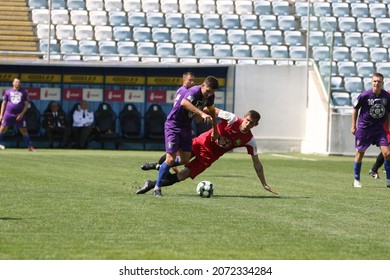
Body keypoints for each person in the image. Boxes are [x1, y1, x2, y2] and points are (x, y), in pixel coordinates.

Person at [136, 108, 278, 196]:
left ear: (256, 125)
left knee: (182, 176)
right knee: (173, 159)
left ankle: (151, 183)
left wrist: (264, 183)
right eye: (247, 120)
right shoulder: (232, 118)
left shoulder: (250, 140)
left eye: (252, 123)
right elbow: (211, 109)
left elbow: (257, 164)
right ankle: (156, 167)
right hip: (200, 143)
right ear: (244, 117)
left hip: (209, 157)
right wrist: (210, 124)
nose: (248, 124)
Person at [151, 76, 220, 197]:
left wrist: (215, 129)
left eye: (212, 92)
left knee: (185, 160)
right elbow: (184, 103)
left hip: (186, 128)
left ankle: (161, 166)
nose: (209, 94)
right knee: (171, 159)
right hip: (173, 125)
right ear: (203, 85)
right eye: (208, 91)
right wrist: (201, 113)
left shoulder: (210, 96)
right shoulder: (194, 91)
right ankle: (157, 188)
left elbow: (212, 111)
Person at [351, 73, 390, 188]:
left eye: (379, 81)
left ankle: (388, 180)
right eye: (375, 81)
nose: (376, 83)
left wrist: (388, 127)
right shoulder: (365, 95)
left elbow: (388, 112)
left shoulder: (387, 97)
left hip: (379, 130)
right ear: (371, 82)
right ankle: (356, 180)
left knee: (387, 153)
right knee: (360, 153)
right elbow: (355, 109)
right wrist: (353, 125)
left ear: (382, 83)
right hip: (365, 130)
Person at [0, 77, 35, 151]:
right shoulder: (8, 92)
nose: (18, 83)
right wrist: (1, 115)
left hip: (19, 115)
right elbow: (4, 103)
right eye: (16, 82)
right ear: (13, 83)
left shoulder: (24, 92)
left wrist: (22, 114)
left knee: (24, 130)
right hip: (8, 114)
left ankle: (30, 146)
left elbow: (26, 105)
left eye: (19, 82)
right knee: (2, 129)